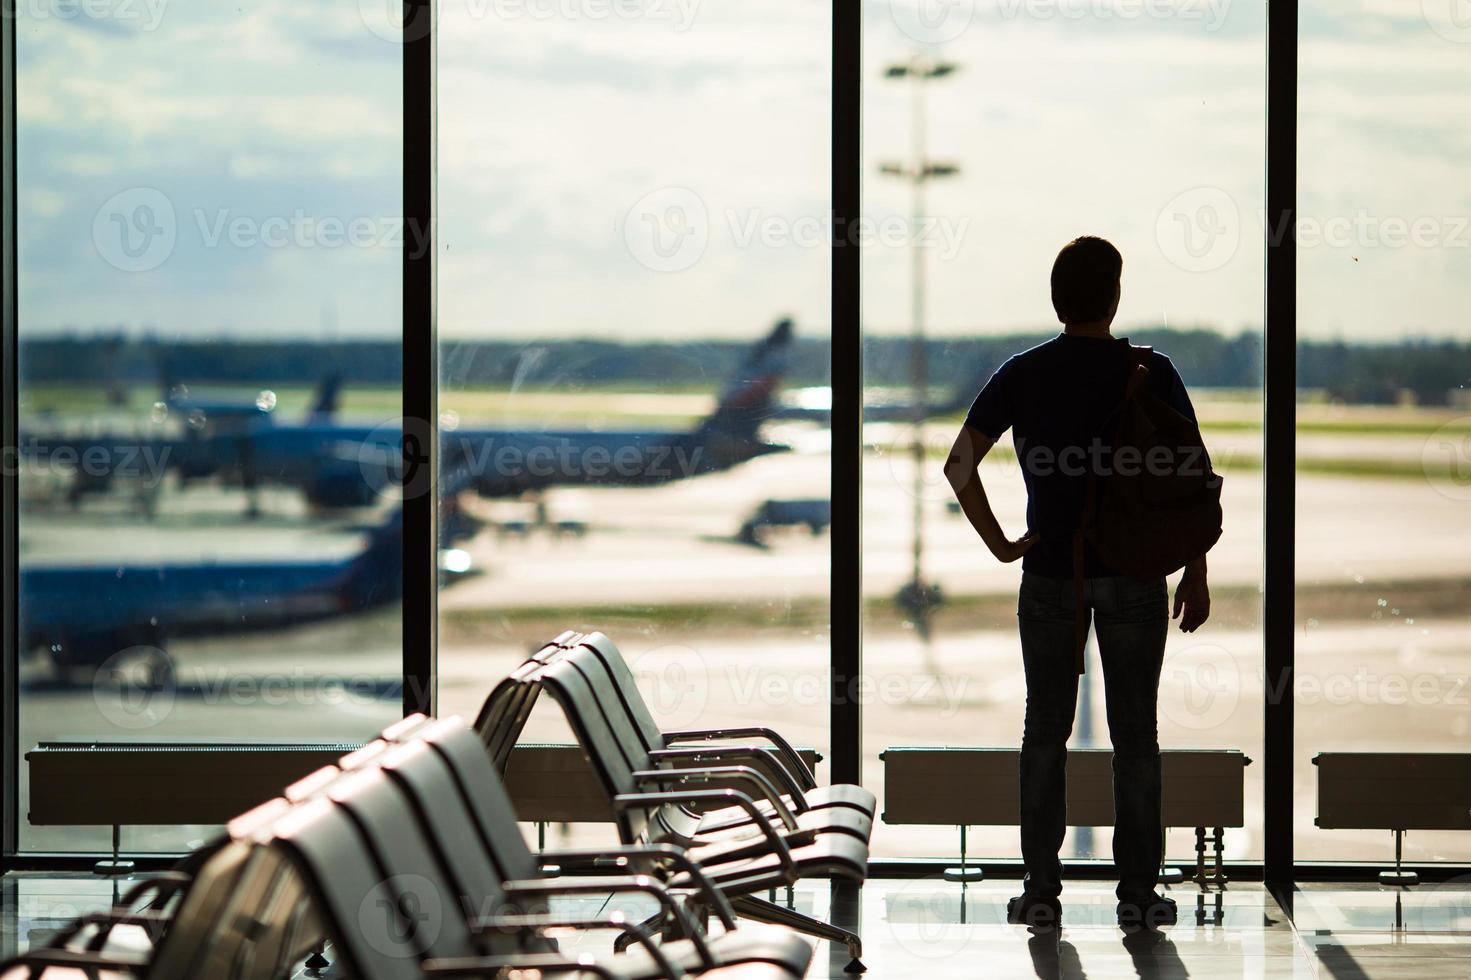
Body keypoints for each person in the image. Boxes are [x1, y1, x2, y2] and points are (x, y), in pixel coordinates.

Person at [943, 236, 1213, 932]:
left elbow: (957, 467)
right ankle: (1137, 894)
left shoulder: (1022, 373)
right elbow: (1189, 485)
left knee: (1044, 730)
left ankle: (1040, 890)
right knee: (1136, 737)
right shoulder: (1149, 370)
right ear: (1113, 297)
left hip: (1050, 577)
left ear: (1057, 299)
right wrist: (1194, 569)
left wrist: (1002, 543)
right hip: (1133, 575)